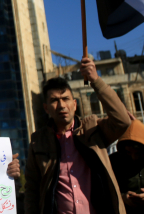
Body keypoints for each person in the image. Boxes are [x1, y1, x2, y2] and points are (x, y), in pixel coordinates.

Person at [24, 58, 131, 214]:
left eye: (65, 99)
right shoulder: (38, 141)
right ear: (46, 108)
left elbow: (122, 121)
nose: (61, 105)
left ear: (74, 104)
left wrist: (95, 80)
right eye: (54, 100)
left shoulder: (92, 129)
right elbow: (32, 187)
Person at [110, 118, 144, 214]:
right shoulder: (113, 162)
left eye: (138, 153)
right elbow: (102, 192)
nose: (134, 157)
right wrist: (122, 197)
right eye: (128, 152)